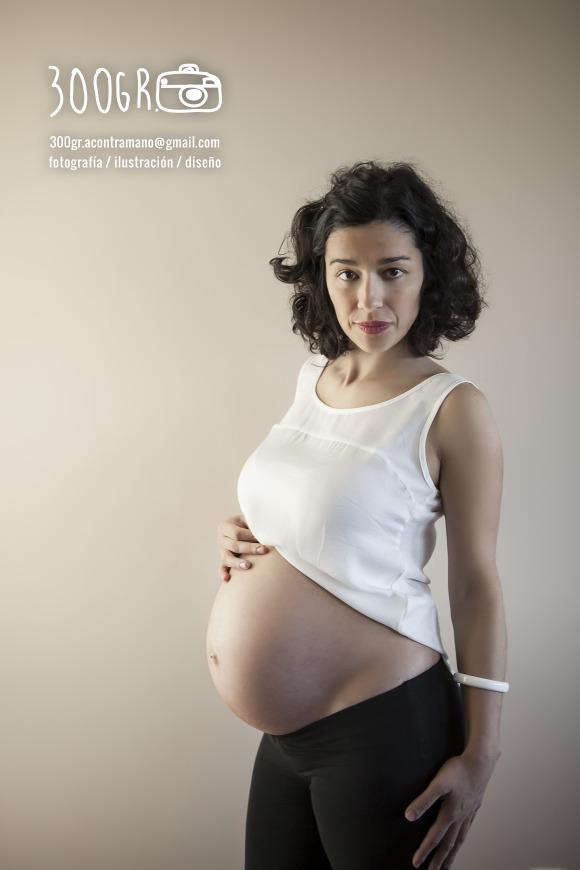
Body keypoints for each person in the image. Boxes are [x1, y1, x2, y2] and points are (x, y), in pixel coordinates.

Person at [213, 159, 509, 870]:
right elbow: (317, 504)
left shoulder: (452, 408)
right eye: (346, 271)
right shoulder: (313, 377)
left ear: (428, 274)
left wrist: (482, 753)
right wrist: (242, 531)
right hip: (286, 741)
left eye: (392, 270)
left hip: (382, 728)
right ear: (322, 275)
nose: (367, 297)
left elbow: (476, 585)